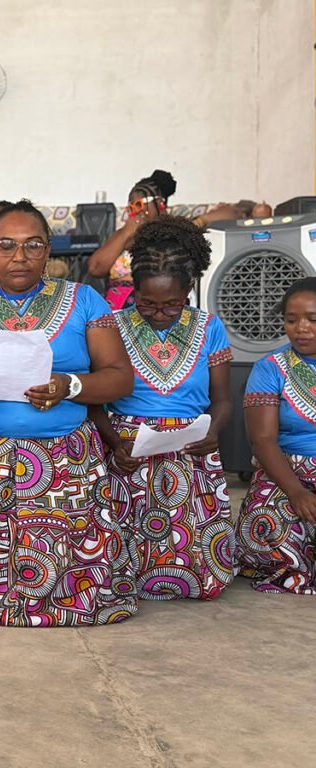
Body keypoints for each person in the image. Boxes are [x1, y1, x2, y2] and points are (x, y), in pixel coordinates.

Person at [0, 200, 137, 626]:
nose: (19, 256)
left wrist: (69, 386)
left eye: (32, 245)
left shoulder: (85, 301)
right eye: (6, 245)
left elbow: (119, 378)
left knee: (68, 575)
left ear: (47, 249)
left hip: (64, 459)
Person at [92, 216, 235, 601]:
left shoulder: (209, 327)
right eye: (147, 303)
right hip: (128, 448)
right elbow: (94, 402)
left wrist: (213, 431)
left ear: (189, 289)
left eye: (172, 304)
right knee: (121, 555)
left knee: (197, 564)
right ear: (133, 290)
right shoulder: (111, 326)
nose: (159, 313)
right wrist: (115, 443)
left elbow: (222, 399)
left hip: (191, 449)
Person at [236, 277, 316, 594]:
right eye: (291, 320)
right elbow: (263, 440)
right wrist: (296, 492)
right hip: (285, 470)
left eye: (312, 319)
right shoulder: (270, 368)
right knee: (266, 522)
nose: (301, 328)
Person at [88, 170, 177, 311]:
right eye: (131, 207)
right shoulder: (123, 234)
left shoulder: (170, 234)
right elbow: (95, 268)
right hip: (116, 309)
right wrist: (126, 232)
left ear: (160, 203)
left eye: (140, 205)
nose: (136, 212)